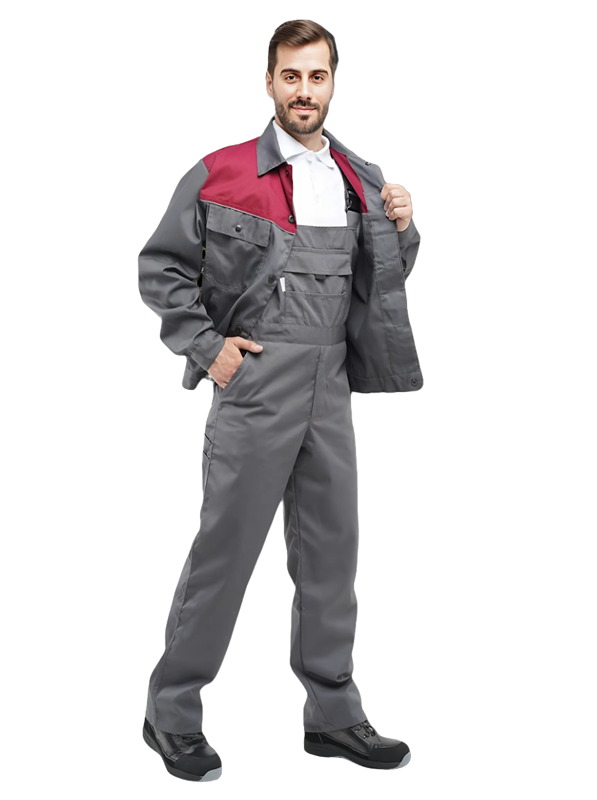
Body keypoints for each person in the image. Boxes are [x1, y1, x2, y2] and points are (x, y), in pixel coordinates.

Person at [138, 19, 423, 782]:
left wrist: (401, 227)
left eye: (317, 76)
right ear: (268, 82)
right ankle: (171, 713)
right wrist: (209, 348)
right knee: (225, 554)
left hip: (331, 384)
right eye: (291, 76)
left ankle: (333, 715)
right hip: (257, 381)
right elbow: (161, 268)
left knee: (332, 555)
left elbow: (382, 279)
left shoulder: (362, 177)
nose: (304, 90)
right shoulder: (221, 173)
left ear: (333, 82)